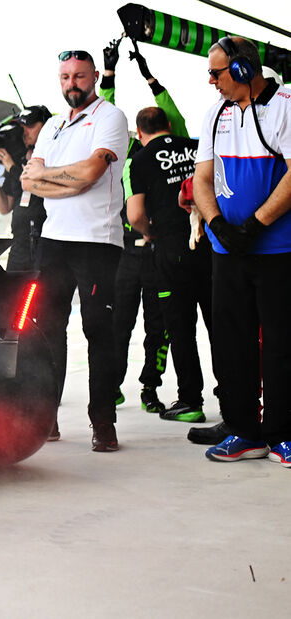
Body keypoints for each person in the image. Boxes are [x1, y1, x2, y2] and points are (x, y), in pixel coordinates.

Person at [21, 49, 130, 452]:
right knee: (47, 333)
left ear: (95, 76)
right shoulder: (52, 124)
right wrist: (64, 179)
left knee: (98, 333)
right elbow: (30, 182)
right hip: (54, 241)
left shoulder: (109, 117)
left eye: (80, 76)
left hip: (97, 242)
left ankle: (103, 422)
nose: (72, 84)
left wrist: (54, 177)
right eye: (65, 77)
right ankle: (46, 417)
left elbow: (91, 173)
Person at [192, 36, 291, 466]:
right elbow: (202, 177)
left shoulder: (286, 105)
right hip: (226, 252)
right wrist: (217, 224)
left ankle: (284, 433)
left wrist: (255, 225)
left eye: (216, 72)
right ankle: (243, 431)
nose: (210, 81)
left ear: (243, 71)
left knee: (282, 345)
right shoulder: (217, 112)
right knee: (232, 344)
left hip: (278, 250)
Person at [100, 38, 191, 417]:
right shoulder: (122, 150)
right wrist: (123, 73)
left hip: (155, 251)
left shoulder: (170, 146)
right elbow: (106, 115)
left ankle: (149, 389)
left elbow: (173, 119)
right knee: (119, 324)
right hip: (126, 251)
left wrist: (123, 74)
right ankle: (111, 386)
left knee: (158, 328)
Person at [127, 107, 214, 426]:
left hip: (171, 249)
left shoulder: (141, 159)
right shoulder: (194, 147)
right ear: (168, 125)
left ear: (139, 133)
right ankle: (233, 396)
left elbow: (135, 214)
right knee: (220, 323)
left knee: (180, 327)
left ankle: (191, 401)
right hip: (209, 242)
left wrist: (150, 232)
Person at [0, 105, 51, 272]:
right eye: (22, 127)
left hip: (44, 246)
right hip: (19, 246)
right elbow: (4, 206)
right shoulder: (17, 160)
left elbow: (41, 188)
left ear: (47, 127)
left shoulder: (53, 159)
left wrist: (13, 168)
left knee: (42, 298)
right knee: (10, 297)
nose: (25, 132)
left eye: (30, 126)